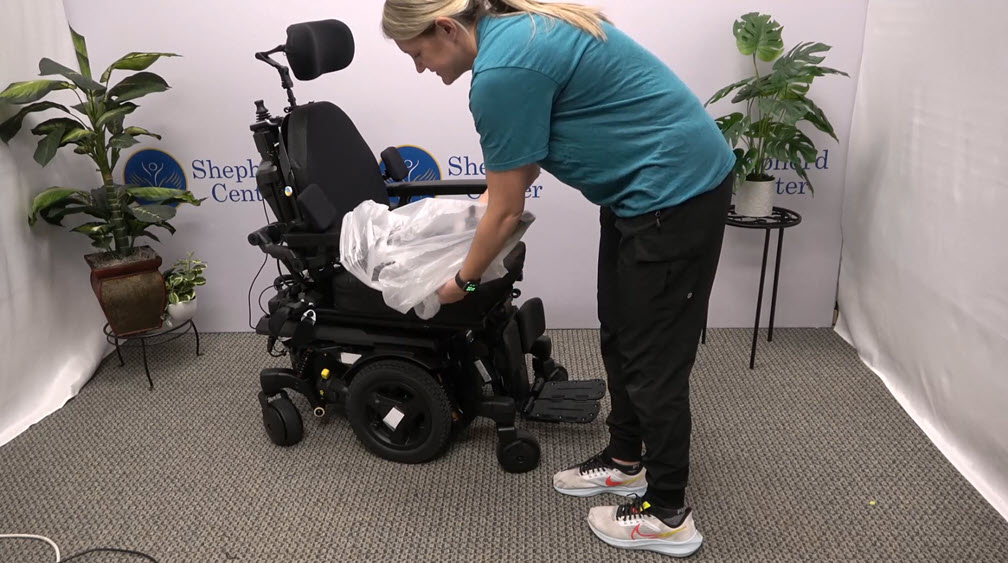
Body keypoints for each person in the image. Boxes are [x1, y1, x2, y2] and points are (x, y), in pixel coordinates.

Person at [382, 0, 734, 557]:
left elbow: (506, 209)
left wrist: (462, 283)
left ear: (447, 28)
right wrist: (485, 210)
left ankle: (668, 514)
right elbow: (521, 161)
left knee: (654, 361)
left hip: (674, 196)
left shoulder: (500, 71)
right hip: (637, 195)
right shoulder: (511, 35)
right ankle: (625, 463)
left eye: (417, 52)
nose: (420, 67)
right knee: (620, 334)